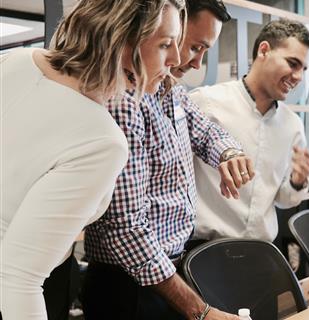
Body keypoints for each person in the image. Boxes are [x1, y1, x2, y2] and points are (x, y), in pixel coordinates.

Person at [0, 0, 184, 319]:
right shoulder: (102, 141)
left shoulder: (19, 61)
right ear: (122, 38)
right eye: (166, 44)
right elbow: (17, 279)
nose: (178, 58)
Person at [82, 1, 243, 319]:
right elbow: (125, 228)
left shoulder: (171, 90)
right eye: (192, 47)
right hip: (129, 285)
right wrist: (200, 311)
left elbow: (207, 132)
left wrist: (230, 153)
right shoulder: (123, 101)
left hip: (165, 270)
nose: (193, 63)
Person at [188, 19, 309, 243]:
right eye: (292, 63)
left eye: (303, 69)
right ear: (264, 50)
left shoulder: (292, 125)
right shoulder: (206, 103)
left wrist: (297, 181)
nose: (298, 77)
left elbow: (284, 199)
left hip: (262, 251)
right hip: (204, 249)